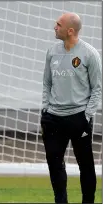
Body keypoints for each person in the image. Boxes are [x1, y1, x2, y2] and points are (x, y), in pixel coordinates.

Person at [41, 12, 101, 203]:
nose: (54, 27)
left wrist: (87, 115)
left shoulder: (89, 54)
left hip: (78, 118)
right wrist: (45, 109)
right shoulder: (52, 52)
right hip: (53, 118)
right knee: (54, 163)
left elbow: (97, 89)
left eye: (58, 24)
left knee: (86, 164)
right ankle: (61, 201)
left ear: (70, 31)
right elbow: (47, 83)